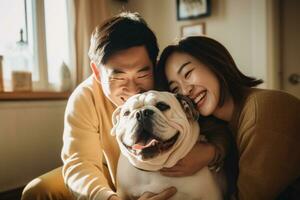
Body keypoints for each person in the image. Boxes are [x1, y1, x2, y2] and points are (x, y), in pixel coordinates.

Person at [21, 12, 227, 200]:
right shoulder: (85, 97)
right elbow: (79, 163)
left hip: (176, 177)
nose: (132, 88)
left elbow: (216, 124)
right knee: (37, 191)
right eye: (118, 76)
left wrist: (212, 151)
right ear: (97, 72)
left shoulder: (168, 85)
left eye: (142, 73)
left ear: (154, 65)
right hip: (105, 176)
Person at [155, 36, 300, 200]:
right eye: (175, 89)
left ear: (213, 63)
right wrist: (213, 151)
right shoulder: (217, 124)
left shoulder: (262, 113)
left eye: (188, 73)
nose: (185, 91)